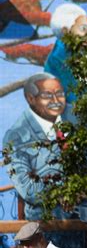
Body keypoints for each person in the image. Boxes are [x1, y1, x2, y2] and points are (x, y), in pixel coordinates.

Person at [3, 73, 66, 220]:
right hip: (47, 224)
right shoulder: (16, 137)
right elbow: (28, 190)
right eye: (47, 95)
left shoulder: (76, 122)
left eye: (60, 94)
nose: (56, 101)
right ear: (31, 99)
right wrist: (68, 193)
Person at [44, 3, 87, 122]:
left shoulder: (82, 54)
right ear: (66, 31)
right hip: (75, 119)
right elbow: (75, 94)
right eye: (83, 29)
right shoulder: (59, 58)